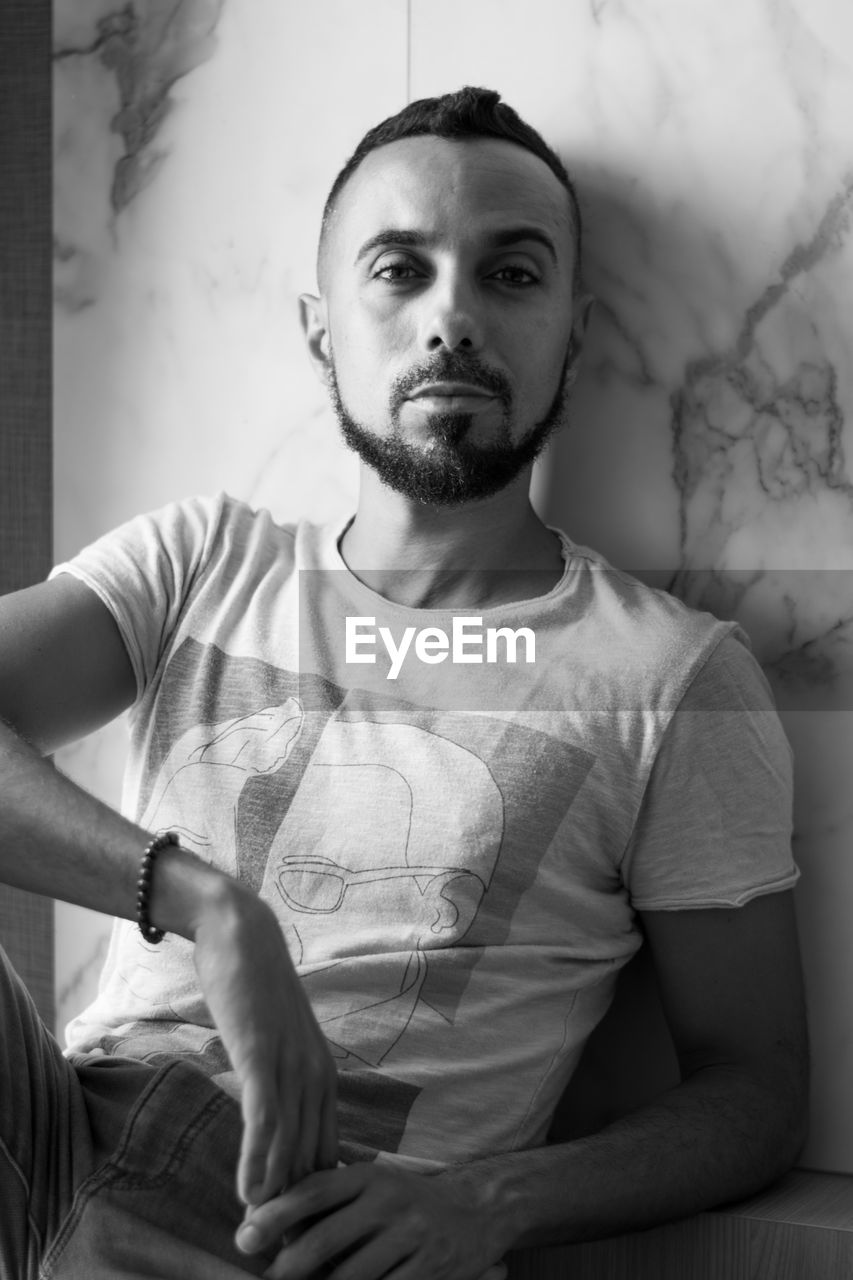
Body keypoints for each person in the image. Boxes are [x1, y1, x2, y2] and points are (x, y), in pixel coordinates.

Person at [0, 86, 808, 1279]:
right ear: (322, 326)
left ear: (573, 333)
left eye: (511, 275)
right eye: (399, 269)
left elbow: (756, 1085)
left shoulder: (669, 676)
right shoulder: (202, 561)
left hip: (310, 1229)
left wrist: (490, 1202)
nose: (453, 320)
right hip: (48, 1127)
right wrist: (213, 911)